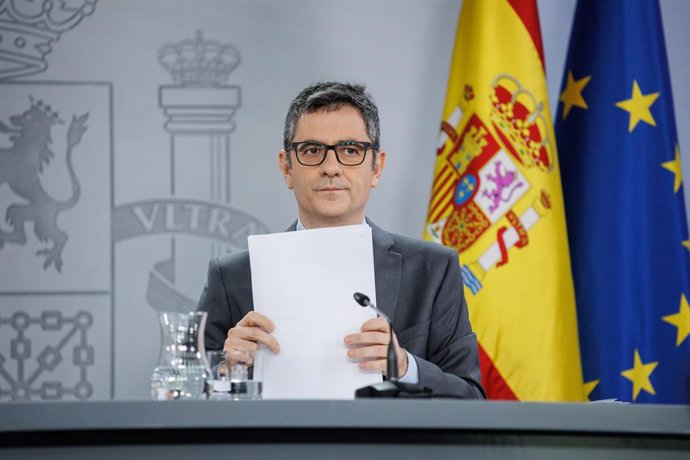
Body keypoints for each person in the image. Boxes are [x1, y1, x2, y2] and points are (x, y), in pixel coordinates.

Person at [197, 82, 485, 399]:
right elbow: (187, 406)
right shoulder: (233, 276)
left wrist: (404, 366)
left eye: (350, 150)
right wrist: (227, 373)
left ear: (377, 167)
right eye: (312, 150)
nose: (331, 167)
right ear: (286, 168)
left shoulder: (433, 269)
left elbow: (471, 398)